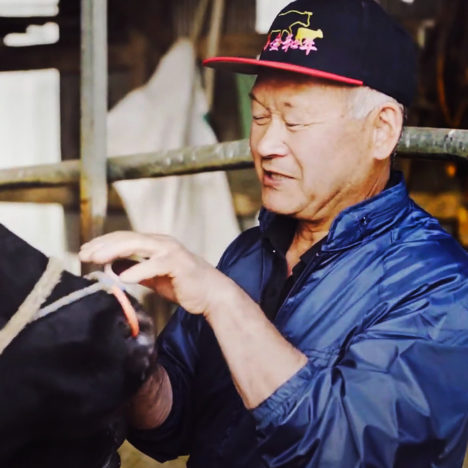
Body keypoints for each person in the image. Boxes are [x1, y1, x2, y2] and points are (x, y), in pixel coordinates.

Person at [79, 0, 468, 466]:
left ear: (382, 130)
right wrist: (136, 365)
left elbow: (349, 452)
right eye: (260, 115)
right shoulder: (250, 251)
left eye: (294, 119)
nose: (264, 144)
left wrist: (223, 301)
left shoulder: (439, 284)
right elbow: (172, 424)